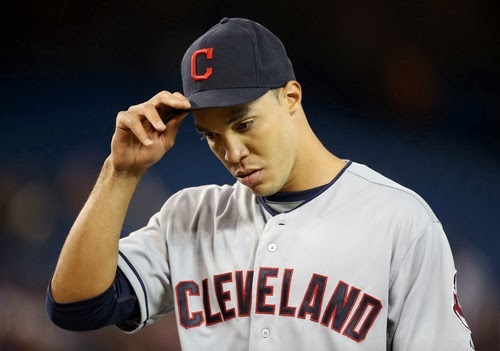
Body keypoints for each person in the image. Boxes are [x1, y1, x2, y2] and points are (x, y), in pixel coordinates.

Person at [46, 17, 475, 350]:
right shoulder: (191, 217)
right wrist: (120, 173)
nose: (232, 152)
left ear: (291, 97)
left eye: (245, 123)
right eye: (212, 136)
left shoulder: (399, 220)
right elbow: (75, 307)